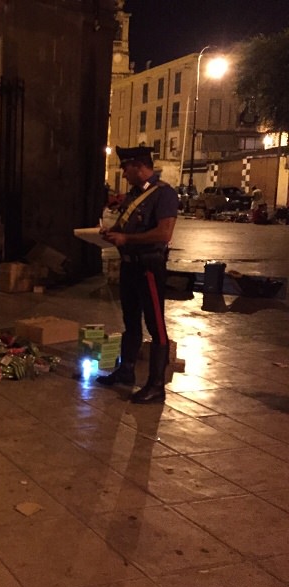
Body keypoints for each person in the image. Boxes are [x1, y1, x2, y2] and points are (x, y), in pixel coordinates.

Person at [96, 146, 179, 403]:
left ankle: (156, 385)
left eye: (126, 167)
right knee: (131, 321)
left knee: (156, 326)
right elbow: (123, 226)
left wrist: (126, 237)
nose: (123, 172)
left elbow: (164, 234)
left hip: (149, 266)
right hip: (130, 264)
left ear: (139, 166)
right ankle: (126, 370)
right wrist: (109, 233)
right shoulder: (133, 195)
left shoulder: (164, 194)